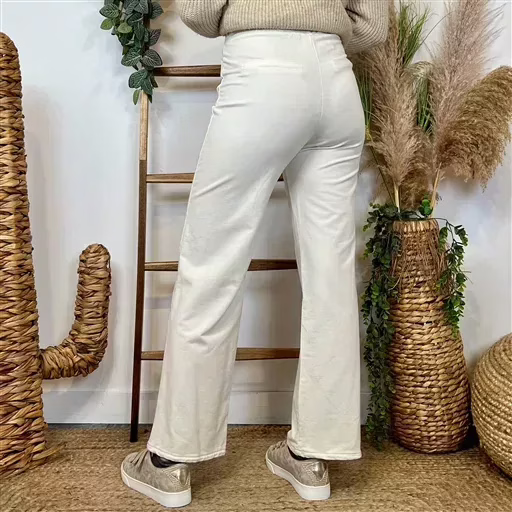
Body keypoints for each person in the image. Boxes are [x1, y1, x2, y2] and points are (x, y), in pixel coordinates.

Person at [121, 0, 388, 508]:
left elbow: (199, 10)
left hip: (262, 70)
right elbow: (374, 25)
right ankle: (312, 456)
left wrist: (265, 22)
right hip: (336, 80)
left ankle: (170, 462)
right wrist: (317, 28)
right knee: (331, 276)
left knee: (212, 262)